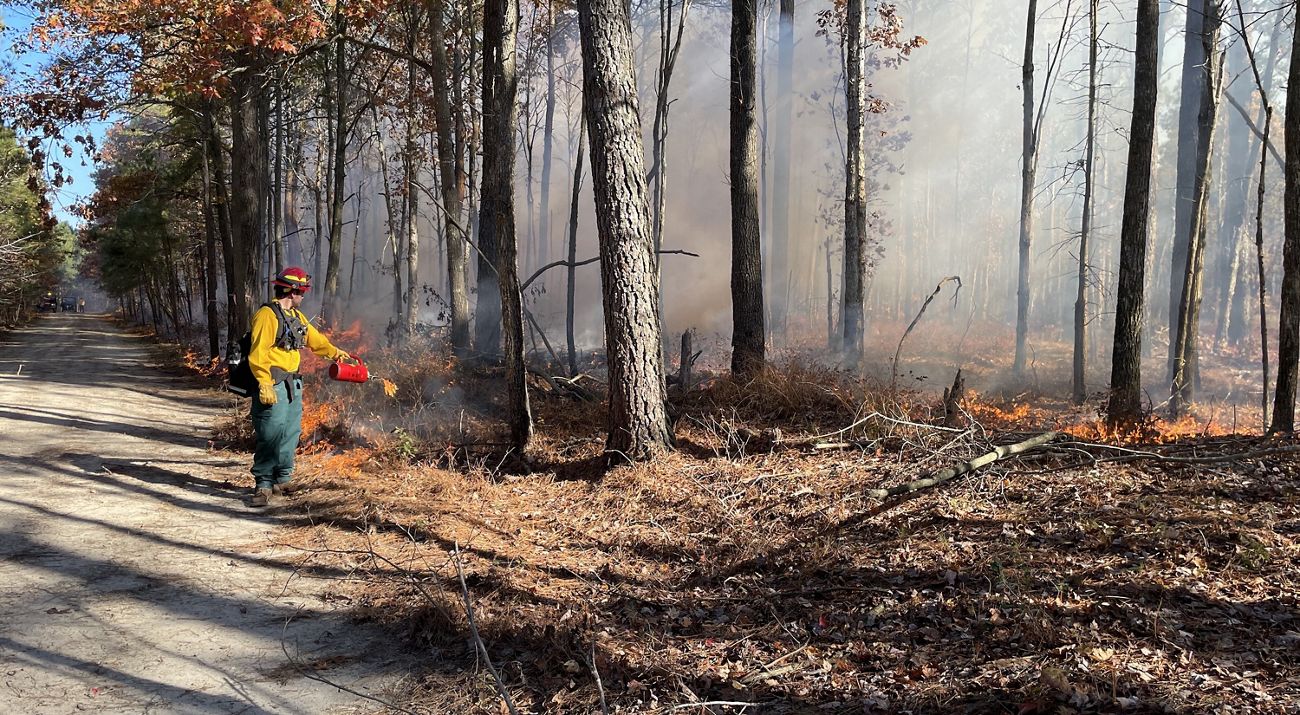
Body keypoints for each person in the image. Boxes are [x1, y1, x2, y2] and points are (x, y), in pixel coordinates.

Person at [247, 266, 352, 507]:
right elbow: (257, 353)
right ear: (291, 291)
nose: (303, 296)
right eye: (301, 292)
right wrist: (264, 383)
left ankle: (282, 480)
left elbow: (316, 340)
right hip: (272, 382)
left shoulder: (297, 317)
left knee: (290, 432)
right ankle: (263, 484)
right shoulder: (267, 315)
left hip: (293, 383)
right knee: (270, 432)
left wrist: (336, 354)